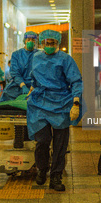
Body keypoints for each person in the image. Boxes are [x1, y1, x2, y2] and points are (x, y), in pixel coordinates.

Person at [27, 29, 84, 191]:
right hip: (40, 103)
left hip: (61, 102)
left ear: (58, 43)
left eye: (52, 43)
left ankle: (56, 176)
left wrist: (76, 102)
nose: (49, 45)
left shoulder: (66, 60)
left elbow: (76, 81)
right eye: (47, 43)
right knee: (42, 141)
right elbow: (34, 78)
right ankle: (41, 170)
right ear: (42, 43)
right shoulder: (36, 57)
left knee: (60, 144)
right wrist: (31, 89)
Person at [0, 31, 38, 102]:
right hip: (18, 86)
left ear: (35, 42)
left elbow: (40, 73)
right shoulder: (17, 54)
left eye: (33, 40)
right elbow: (15, 72)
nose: (30, 41)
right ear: (24, 41)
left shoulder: (39, 55)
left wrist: (33, 87)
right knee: (7, 98)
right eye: (28, 40)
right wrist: (23, 85)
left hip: (34, 86)